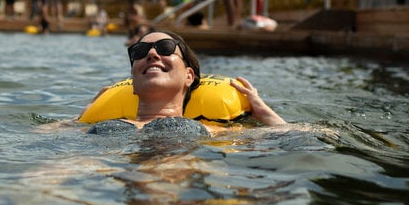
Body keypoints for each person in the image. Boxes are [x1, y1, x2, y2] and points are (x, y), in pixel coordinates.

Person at [84, 30, 286, 135]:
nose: (152, 53)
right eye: (140, 51)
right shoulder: (105, 128)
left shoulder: (207, 130)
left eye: (165, 48)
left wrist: (262, 111)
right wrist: (80, 119)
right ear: (133, 83)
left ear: (188, 76)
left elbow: (292, 136)